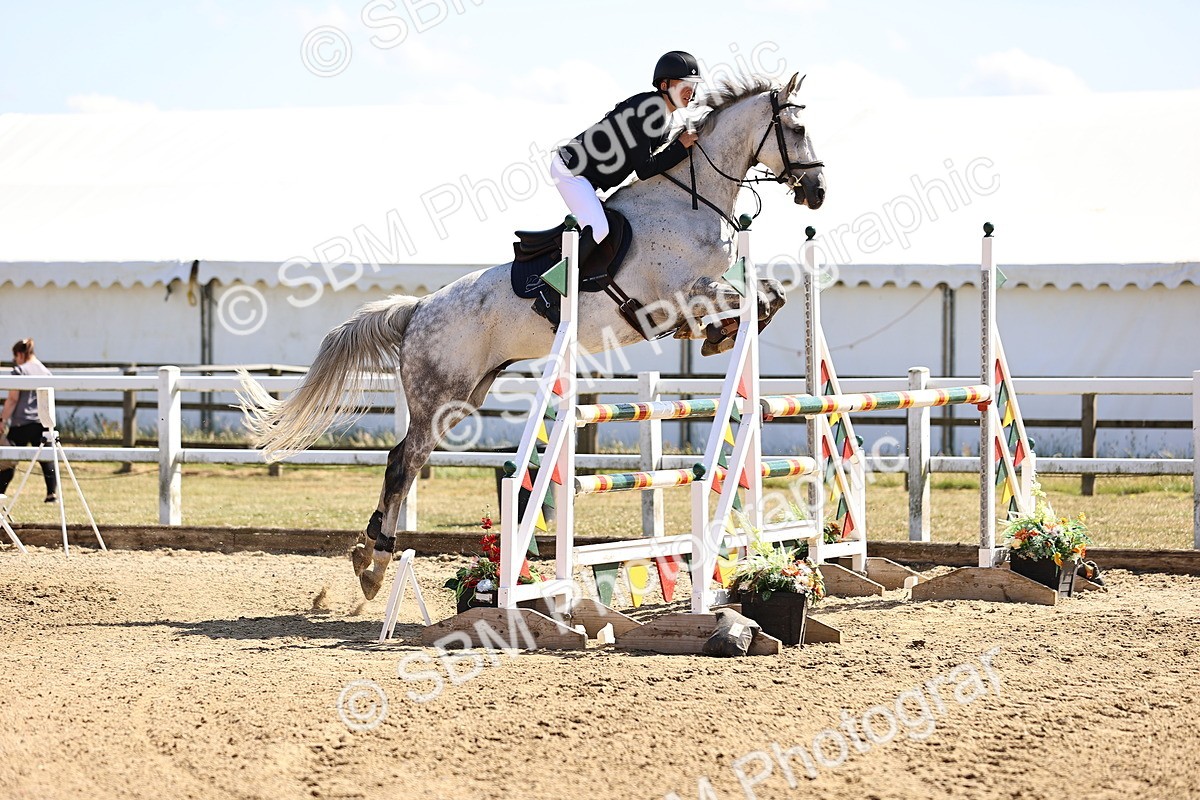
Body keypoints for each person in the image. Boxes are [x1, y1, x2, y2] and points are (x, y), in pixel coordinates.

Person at [552, 50, 703, 258]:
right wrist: (679, 147)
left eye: (693, 85)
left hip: (589, 178)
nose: (690, 90)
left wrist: (678, 146)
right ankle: (559, 277)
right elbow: (645, 169)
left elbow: (655, 163)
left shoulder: (666, 120)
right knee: (599, 229)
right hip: (571, 171)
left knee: (614, 222)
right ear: (664, 85)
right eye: (684, 83)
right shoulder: (648, 110)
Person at [0, 338, 58, 503]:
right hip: (42, 422)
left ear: (20, 354)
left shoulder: (19, 371)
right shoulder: (45, 372)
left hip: (22, 422)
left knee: (9, 458)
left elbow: (13, 399)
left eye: (15, 358)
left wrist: (2, 419)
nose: (15, 361)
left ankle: (0, 491)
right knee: (46, 458)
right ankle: (51, 494)